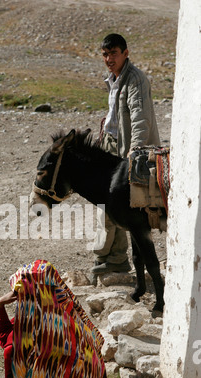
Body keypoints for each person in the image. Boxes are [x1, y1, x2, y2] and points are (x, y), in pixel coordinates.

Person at [0, 259, 107, 378]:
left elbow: (9, 343)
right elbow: (6, 338)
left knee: (36, 355)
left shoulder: (58, 326)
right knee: (15, 349)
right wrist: (0, 305)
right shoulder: (42, 312)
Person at [92, 33, 161, 277]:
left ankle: (113, 259)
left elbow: (139, 116)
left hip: (126, 149)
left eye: (113, 53)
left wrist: (135, 150)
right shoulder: (113, 78)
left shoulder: (135, 79)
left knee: (115, 204)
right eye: (105, 54)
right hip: (111, 145)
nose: (109, 59)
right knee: (106, 203)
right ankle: (112, 257)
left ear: (125, 53)